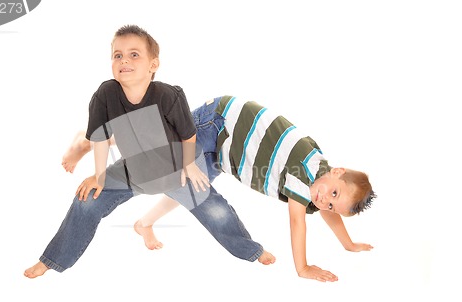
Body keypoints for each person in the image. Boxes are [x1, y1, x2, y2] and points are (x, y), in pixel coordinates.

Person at [24, 25, 275, 279]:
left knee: (216, 210)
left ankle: (251, 250)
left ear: (153, 65)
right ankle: (51, 260)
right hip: (133, 170)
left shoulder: (168, 96)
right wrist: (99, 176)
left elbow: (188, 135)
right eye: (117, 55)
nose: (124, 60)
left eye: (134, 55)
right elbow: (100, 137)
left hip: (175, 169)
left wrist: (189, 166)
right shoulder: (105, 94)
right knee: (86, 200)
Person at [61, 96, 377, 282]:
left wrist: (347, 244)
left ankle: (144, 224)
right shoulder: (305, 176)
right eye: (332, 194)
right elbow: (298, 221)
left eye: (333, 205)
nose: (325, 202)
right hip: (220, 123)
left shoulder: (322, 180)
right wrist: (303, 268)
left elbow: (328, 213)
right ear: (336, 172)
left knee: (186, 185)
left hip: (225, 152)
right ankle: (90, 141)